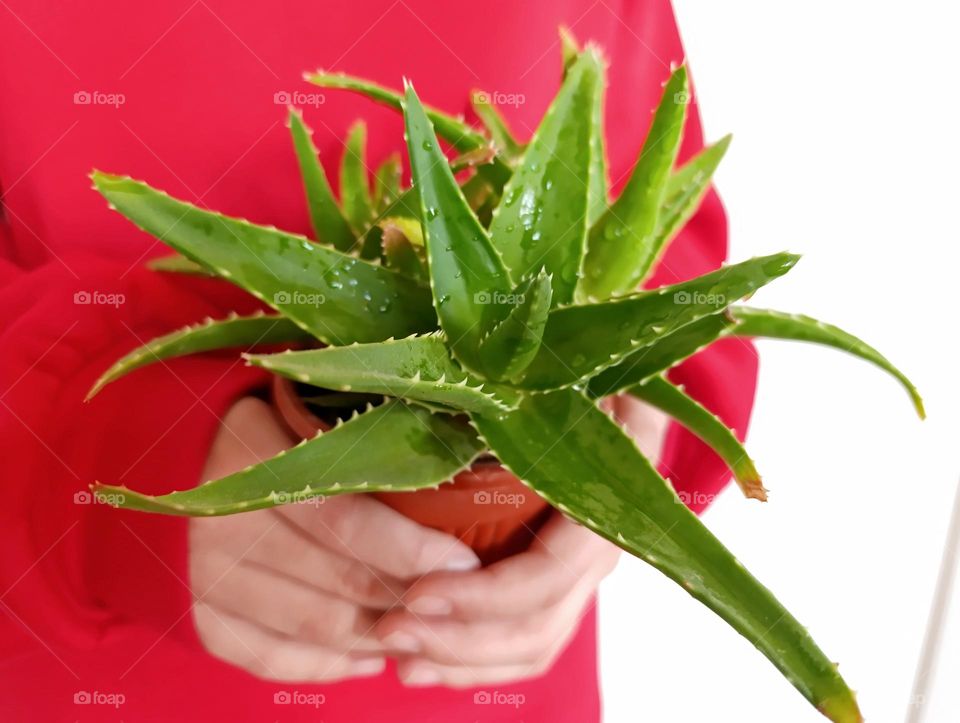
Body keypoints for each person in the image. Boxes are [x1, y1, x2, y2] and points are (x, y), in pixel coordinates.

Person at [0, 1, 757, 720]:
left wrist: (628, 449)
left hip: (498, 685)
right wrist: (91, 461)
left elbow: (648, 218)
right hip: (68, 664)